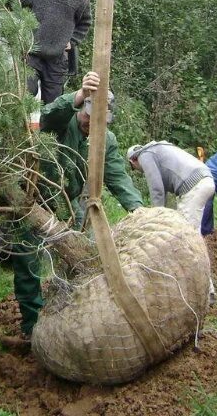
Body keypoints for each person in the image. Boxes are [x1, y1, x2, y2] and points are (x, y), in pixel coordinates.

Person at [8, 71, 143, 345]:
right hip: (34, 200)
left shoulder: (106, 139)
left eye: (99, 122)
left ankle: (74, 315)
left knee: (85, 256)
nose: (91, 125)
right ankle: (31, 328)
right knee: (27, 262)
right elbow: (46, 115)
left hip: (69, 206)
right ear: (82, 109)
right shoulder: (63, 121)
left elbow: (118, 177)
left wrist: (138, 210)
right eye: (88, 118)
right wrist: (78, 95)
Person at [126, 141, 217, 303]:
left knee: (185, 240)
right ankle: (203, 288)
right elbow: (163, 191)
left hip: (193, 186)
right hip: (204, 180)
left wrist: (155, 220)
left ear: (133, 161)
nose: (139, 171)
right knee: (189, 237)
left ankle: (203, 291)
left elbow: (157, 190)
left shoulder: (145, 155)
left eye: (135, 169)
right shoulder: (157, 149)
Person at [22, 0, 92, 104]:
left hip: (57, 59)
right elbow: (13, 3)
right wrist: (19, 30)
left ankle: (48, 130)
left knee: (53, 106)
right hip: (31, 53)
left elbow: (85, 23)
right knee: (25, 96)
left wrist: (72, 41)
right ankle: (19, 128)